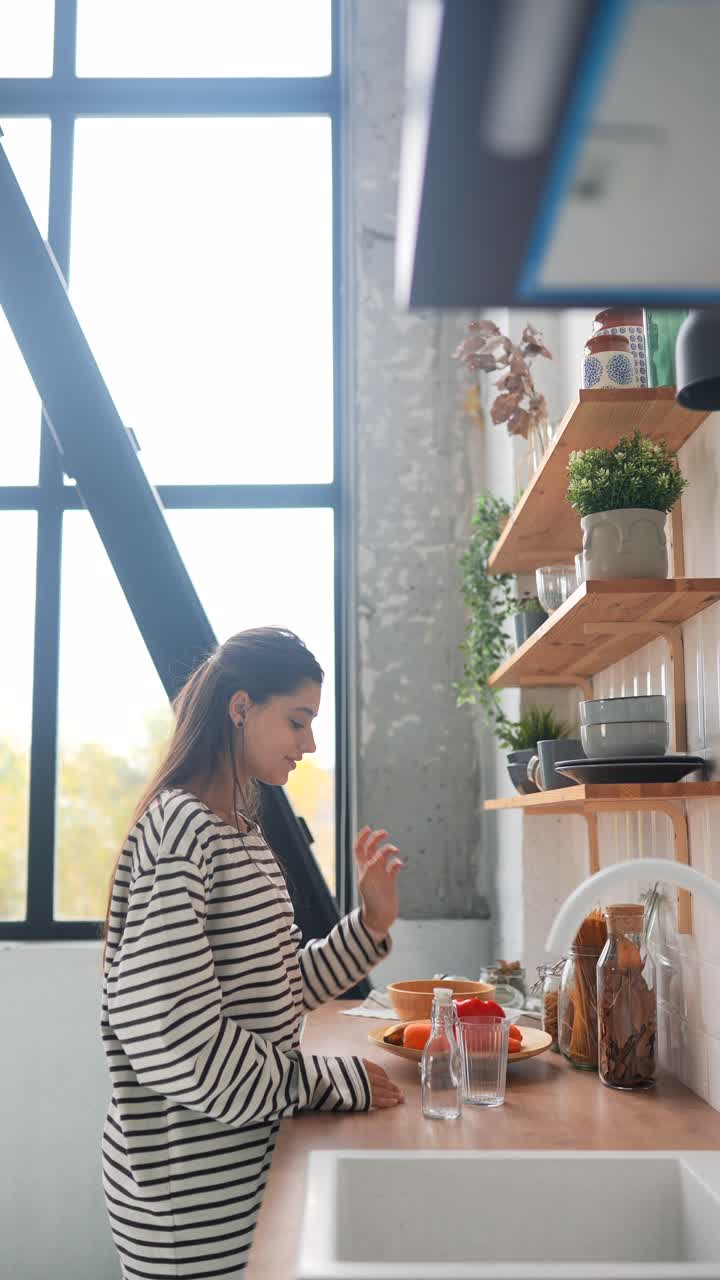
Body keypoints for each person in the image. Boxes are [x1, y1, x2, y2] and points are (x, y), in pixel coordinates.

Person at [100, 626, 405, 1279]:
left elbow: (272, 985)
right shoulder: (183, 828)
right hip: (189, 1201)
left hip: (236, 1172)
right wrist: (327, 1083)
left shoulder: (240, 828)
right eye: (298, 721)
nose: (311, 743)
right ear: (241, 708)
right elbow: (173, 1032)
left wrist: (370, 924)